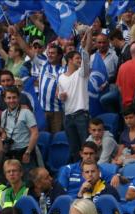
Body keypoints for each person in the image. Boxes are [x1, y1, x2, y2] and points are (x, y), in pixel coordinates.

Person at [59, 31, 92, 162]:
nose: (79, 61)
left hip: (81, 116)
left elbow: (86, 55)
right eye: (77, 59)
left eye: (80, 58)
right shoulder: (61, 77)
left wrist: (86, 42)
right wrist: (61, 96)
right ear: (69, 61)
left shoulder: (81, 74)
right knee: (74, 148)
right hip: (67, 116)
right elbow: (61, 96)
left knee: (86, 147)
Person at [1, 87, 39, 172]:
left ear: (18, 98)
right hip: (11, 152)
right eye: (9, 98)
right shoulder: (3, 114)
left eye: (14, 97)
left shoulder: (26, 113)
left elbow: (35, 133)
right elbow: (4, 131)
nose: (11, 100)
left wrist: (28, 152)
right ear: (4, 99)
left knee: (29, 179)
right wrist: (3, 141)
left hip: (25, 151)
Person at [38, 43, 65, 133]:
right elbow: (27, 50)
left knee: (56, 136)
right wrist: (17, 35)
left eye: (53, 53)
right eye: (48, 53)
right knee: (42, 135)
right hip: (42, 110)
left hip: (57, 112)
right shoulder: (43, 64)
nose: (49, 55)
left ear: (59, 56)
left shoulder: (63, 70)